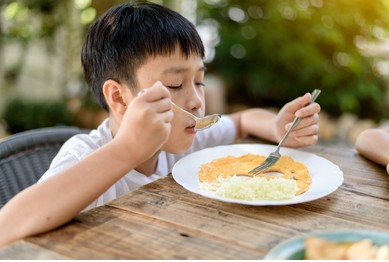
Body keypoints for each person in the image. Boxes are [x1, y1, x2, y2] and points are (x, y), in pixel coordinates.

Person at [0, 1, 320, 247]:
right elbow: (7, 228)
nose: (195, 100)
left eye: (199, 81)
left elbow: (242, 120)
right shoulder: (85, 153)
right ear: (120, 98)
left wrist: (278, 129)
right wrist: (127, 150)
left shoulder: (184, 138)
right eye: (176, 85)